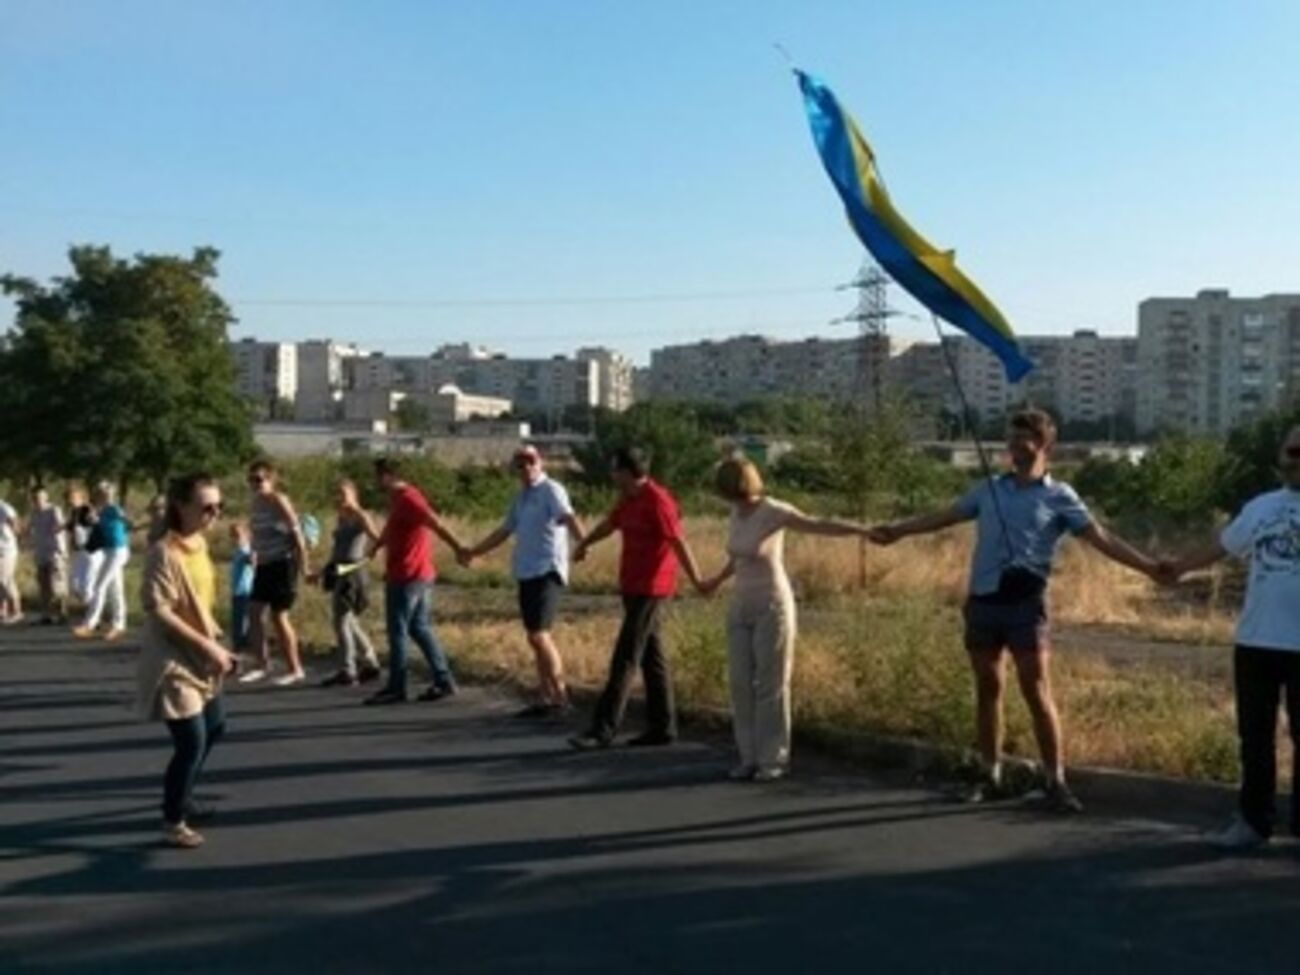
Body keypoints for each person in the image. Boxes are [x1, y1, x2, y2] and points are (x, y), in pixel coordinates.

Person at [868, 409, 1162, 813]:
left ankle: (1054, 781)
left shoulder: (1060, 496)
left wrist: (1149, 567)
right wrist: (898, 531)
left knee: (1036, 689)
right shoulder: (988, 489)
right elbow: (945, 517)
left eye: (1023, 439)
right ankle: (990, 774)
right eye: (1011, 439)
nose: (1013, 447)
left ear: (1044, 445)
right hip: (984, 601)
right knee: (988, 688)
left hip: (1026, 603)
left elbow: (1101, 538)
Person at [1164, 425, 1300, 849]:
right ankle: (1253, 822)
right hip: (1257, 640)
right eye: (1293, 450)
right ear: (1281, 456)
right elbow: (1221, 547)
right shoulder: (1261, 507)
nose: (1297, 458)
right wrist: (1178, 567)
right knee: (1254, 737)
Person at [699, 457, 876, 782]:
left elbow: (817, 524)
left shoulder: (773, 510)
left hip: (772, 604)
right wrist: (716, 579)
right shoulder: (735, 513)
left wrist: (861, 530)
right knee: (740, 683)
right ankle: (748, 756)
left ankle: (773, 758)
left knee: (771, 683)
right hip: (741, 604)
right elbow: (737, 555)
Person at [568, 447, 707, 750]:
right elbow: (610, 524)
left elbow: (677, 540)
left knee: (626, 656)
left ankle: (602, 729)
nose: (611, 474)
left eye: (615, 469)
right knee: (651, 656)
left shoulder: (658, 501)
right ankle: (662, 726)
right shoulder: (629, 499)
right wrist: (585, 543)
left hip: (652, 587)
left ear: (629, 472)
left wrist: (697, 579)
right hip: (631, 584)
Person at [138, 472, 235, 849]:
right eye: (206, 507)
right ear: (181, 506)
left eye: (219, 506)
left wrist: (218, 643)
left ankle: (185, 797)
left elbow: (200, 602)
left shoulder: (199, 544)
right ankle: (173, 819)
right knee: (191, 740)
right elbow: (159, 610)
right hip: (172, 658)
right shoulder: (164, 551)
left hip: (202, 653)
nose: (214, 514)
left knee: (216, 726)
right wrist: (208, 647)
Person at [461, 445, 585, 716]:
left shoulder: (551, 490)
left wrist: (582, 542)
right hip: (526, 571)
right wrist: (473, 551)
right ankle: (545, 696)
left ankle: (561, 696)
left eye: (531, 461)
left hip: (547, 569)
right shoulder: (522, 497)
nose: (526, 467)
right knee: (533, 636)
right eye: (520, 463)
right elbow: (504, 531)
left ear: (541, 463)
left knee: (540, 635)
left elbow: (568, 516)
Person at [365, 456, 467, 706]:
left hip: (408, 575)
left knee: (397, 630)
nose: (375, 481)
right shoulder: (398, 499)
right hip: (415, 573)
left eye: (378, 476)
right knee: (418, 627)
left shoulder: (409, 498)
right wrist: (378, 545)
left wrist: (458, 547)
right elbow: (391, 528)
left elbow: (435, 523)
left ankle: (396, 687)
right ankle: (443, 680)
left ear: (388, 476)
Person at [239, 460, 311, 687]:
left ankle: (295, 668)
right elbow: (255, 534)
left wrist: (304, 567)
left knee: (279, 616)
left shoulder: (278, 501)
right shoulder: (255, 503)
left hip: (283, 563)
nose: (255, 484)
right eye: (252, 480)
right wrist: (253, 552)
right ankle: (262, 664)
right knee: (253, 612)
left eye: (259, 479)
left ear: (271, 480)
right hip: (264, 564)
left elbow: (297, 535)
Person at [316, 479, 382, 688]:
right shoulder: (341, 517)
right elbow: (337, 548)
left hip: (353, 570)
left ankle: (348, 669)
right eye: (337, 493)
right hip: (339, 569)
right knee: (348, 619)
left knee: (341, 620)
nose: (339, 497)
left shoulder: (360, 515)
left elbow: (378, 538)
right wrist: (323, 570)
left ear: (354, 494)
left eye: (343, 493)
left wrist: (370, 555)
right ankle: (370, 661)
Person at [73, 482, 132, 641]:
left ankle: (89, 624)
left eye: (106, 494)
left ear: (111, 495)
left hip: (118, 551)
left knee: (100, 586)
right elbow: (97, 525)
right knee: (115, 589)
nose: (103, 497)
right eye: (100, 494)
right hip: (108, 551)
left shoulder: (113, 508)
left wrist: (124, 521)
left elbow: (126, 521)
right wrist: (94, 521)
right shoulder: (101, 511)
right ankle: (119, 625)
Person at [28, 488, 68, 624]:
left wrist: (57, 529)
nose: (37, 501)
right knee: (43, 585)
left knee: (56, 584)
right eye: (34, 498)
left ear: (46, 497)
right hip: (41, 552)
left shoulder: (54, 510)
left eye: (39, 498)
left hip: (54, 552)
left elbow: (61, 525)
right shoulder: (34, 513)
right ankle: (46, 616)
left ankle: (62, 613)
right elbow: (30, 529)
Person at [65, 487, 101, 610]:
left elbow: (95, 524)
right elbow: (71, 530)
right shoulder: (74, 512)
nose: (69, 501)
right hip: (78, 552)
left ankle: (92, 617)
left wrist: (93, 519)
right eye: (68, 498)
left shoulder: (88, 509)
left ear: (81, 498)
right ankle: (92, 610)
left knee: (87, 586)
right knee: (74, 585)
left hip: (90, 552)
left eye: (72, 498)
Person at [228, 521, 255, 656]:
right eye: (232, 536)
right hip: (237, 592)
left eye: (238, 536)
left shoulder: (246, 550)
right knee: (238, 624)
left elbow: (250, 560)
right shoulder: (237, 551)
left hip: (244, 593)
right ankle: (240, 649)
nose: (234, 539)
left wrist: (252, 557)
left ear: (247, 536)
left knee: (241, 625)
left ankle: (238, 652)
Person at [0, 495, 21, 625]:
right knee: (1, 581)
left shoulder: (4, 507)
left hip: (6, 550)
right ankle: (3, 610)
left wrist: (13, 536)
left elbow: (14, 522)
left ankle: (17, 611)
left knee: (6, 580)